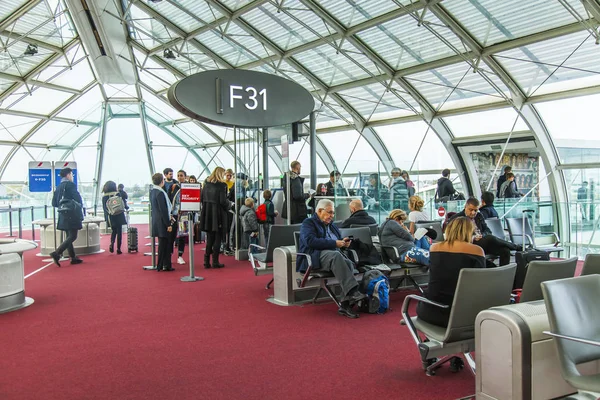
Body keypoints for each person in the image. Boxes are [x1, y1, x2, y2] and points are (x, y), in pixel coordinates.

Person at [297, 199, 366, 319]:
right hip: (314, 256)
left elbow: (337, 242)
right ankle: (354, 291)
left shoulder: (332, 226)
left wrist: (343, 243)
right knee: (336, 256)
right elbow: (310, 241)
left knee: (349, 263)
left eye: (333, 213)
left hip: (334, 256)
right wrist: (334, 243)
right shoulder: (308, 223)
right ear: (319, 210)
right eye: (329, 212)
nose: (331, 216)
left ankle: (345, 305)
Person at [416, 217, 486, 327]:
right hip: (464, 315)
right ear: (470, 232)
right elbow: (480, 286)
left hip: (431, 310)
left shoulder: (434, 248)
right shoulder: (477, 251)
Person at [449, 197, 519, 266]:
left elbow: (488, 230)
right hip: (468, 243)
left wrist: (482, 235)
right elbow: (454, 235)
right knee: (489, 238)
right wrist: (473, 237)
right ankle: (515, 247)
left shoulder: (479, 216)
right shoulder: (457, 218)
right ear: (465, 207)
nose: (473, 212)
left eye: (475, 210)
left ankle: (503, 273)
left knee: (505, 250)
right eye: (471, 210)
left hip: (482, 242)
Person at [50, 167, 84, 266]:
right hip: (72, 214)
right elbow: (78, 199)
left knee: (69, 236)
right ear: (68, 175)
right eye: (72, 175)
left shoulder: (59, 187)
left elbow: (54, 203)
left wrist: (63, 205)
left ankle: (73, 257)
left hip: (62, 214)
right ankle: (57, 253)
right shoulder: (70, 185)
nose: (72, 177)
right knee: (73, 236)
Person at [199, 167, 230, 269]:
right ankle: (215, 261)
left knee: (210, 237)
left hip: (208, 214)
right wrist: (230, 205)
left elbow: (202, 198)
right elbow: (223, 201)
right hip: (218, 214)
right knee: (218, 238)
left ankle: (206, 260)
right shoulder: (222, 186)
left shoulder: (206, 185)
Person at [150, 173, 174, 272]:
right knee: (165, 244)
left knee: (162, 244)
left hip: (157, 220)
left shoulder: (153, 191)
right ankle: (163, 265)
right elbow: (163, 210)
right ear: (162, 181)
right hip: (162, 222)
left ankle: (163, 264)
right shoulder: (160, 193)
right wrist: (168, 224)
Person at [102, 180, 127, 255]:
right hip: (119, 214)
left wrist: (107, 216)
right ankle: (119, 248)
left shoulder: (104, 196)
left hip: (110, 215)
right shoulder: (117, 194)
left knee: (114, 230)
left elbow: (104, 208)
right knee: (119, 231)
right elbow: (122, 203)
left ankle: (112, 243)